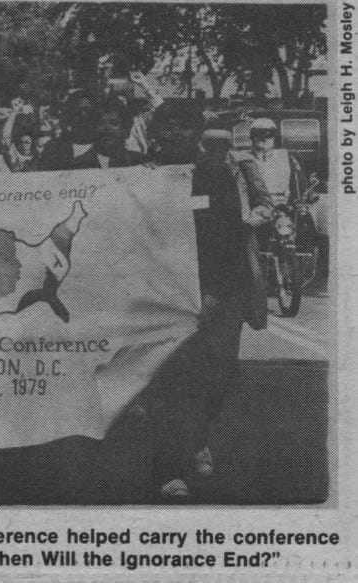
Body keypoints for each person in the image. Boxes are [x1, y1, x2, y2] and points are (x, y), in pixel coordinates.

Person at [142, 107, 273, 500]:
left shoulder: (216, 172)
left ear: (196, 132)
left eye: (184, 125)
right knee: (167, 380)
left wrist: (214, 292)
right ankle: (167, 468)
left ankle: (198, 438)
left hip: (217, 292)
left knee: (218, 374)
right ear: (157, 132)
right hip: (163, 296)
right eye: (168, 125)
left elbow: (233, 234)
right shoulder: (142, 175)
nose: (176, 131)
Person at [247, 117, 307, 207]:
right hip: (255, 210)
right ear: (252, 137)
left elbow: (299, 185)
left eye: (269, 134)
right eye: (260, 134)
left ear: (274, 138)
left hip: (283, 209)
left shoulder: (286, 157)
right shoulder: (243, 159)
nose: (265, 139)